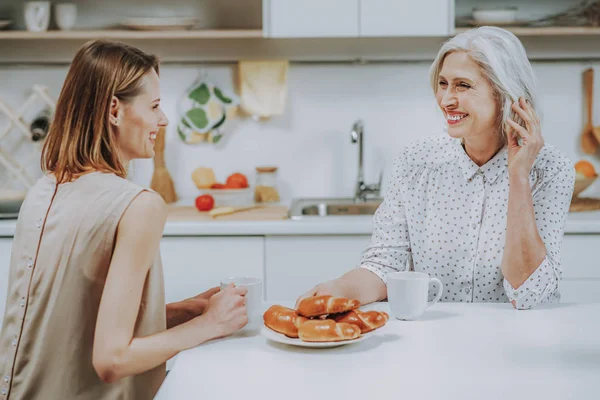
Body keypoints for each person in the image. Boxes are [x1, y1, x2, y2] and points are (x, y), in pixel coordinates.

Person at [0, 40, 248, 400]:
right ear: (114, 110)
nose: (162, 120)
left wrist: (182, 312)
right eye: (154, 106)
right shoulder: (138, 205)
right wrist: (210, 325)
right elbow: (111, 360)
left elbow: (73, 324)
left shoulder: (43, 190)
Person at [297, 26, 575, 311]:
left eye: (463, 85)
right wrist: (339, 290)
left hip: (522, 338)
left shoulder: (550, 170)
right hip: (437, 336)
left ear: (504, 93)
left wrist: (518, 176)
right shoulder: (415, 161)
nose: (445, 100)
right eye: (443, 84)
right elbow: (383, 266)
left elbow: (526, 294)